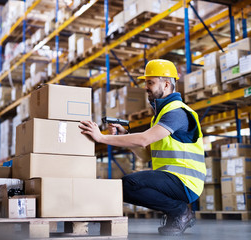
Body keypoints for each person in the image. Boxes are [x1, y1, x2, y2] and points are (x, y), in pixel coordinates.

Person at [79, 59, 206, 236]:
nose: (146, 87)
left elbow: (143, 139)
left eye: (150, 82)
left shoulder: (176, 112)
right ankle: (177, 211)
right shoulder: (160, 116)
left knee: (129, 184)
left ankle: (179, 211)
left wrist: (101, 137)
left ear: (167, 84)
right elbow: (145, 156)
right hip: (172, 179)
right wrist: (122, 136)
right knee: (127, 186)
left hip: (185, 182)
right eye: (146, 83)